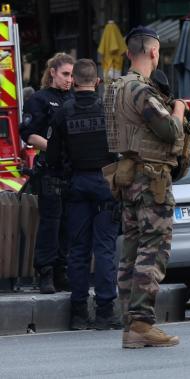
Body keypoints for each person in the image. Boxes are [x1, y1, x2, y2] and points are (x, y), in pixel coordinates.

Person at [104, 26, 185, 348]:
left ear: (127, 53)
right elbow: (168, 131)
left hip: (127, 176)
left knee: (131, 251)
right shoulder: (142, 90)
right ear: (154, 53)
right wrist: (178, 110)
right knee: (153, 250)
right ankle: (142, 323)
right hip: (151, 180)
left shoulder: (114, 88)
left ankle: (130, 325)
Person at [46, 59, 121, 330]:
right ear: (97, 81)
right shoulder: (109, 109)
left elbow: (52, 155)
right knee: (104, 249)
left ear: (75, 82)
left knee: (77, 250)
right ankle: (105, 312)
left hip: (76, 184)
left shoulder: (63, 112)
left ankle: (78, 313)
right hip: (106, 184)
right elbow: (120, 149)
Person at [19, 52, 74, 294]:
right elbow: (30, 134)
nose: (69, 79)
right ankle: (46, 273)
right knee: (50, 223)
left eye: (72, 75)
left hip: (72, 170)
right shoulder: (40, 99)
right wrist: (56, 148)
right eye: (65, 74)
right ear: (52, 72)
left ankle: (62, 270)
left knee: (68, 223)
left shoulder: (74, 98)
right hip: (51, 170)